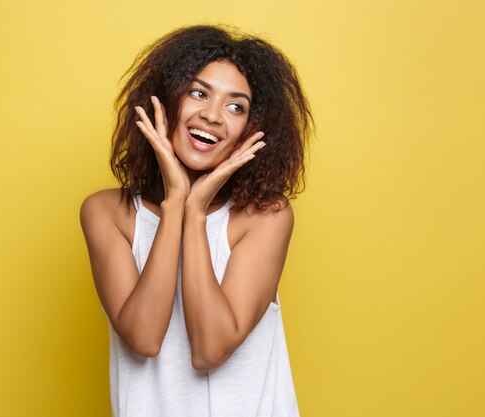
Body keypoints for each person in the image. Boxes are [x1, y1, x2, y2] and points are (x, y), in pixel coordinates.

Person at [80, 24, 313, 417]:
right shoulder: (107, 213)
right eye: (198, 93)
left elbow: (210, 349)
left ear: (252, 131)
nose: (212, 115)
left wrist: (195, 212)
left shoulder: (265, 217)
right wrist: (177, 203)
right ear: (165, 99)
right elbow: (144, 338)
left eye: (235, 106)